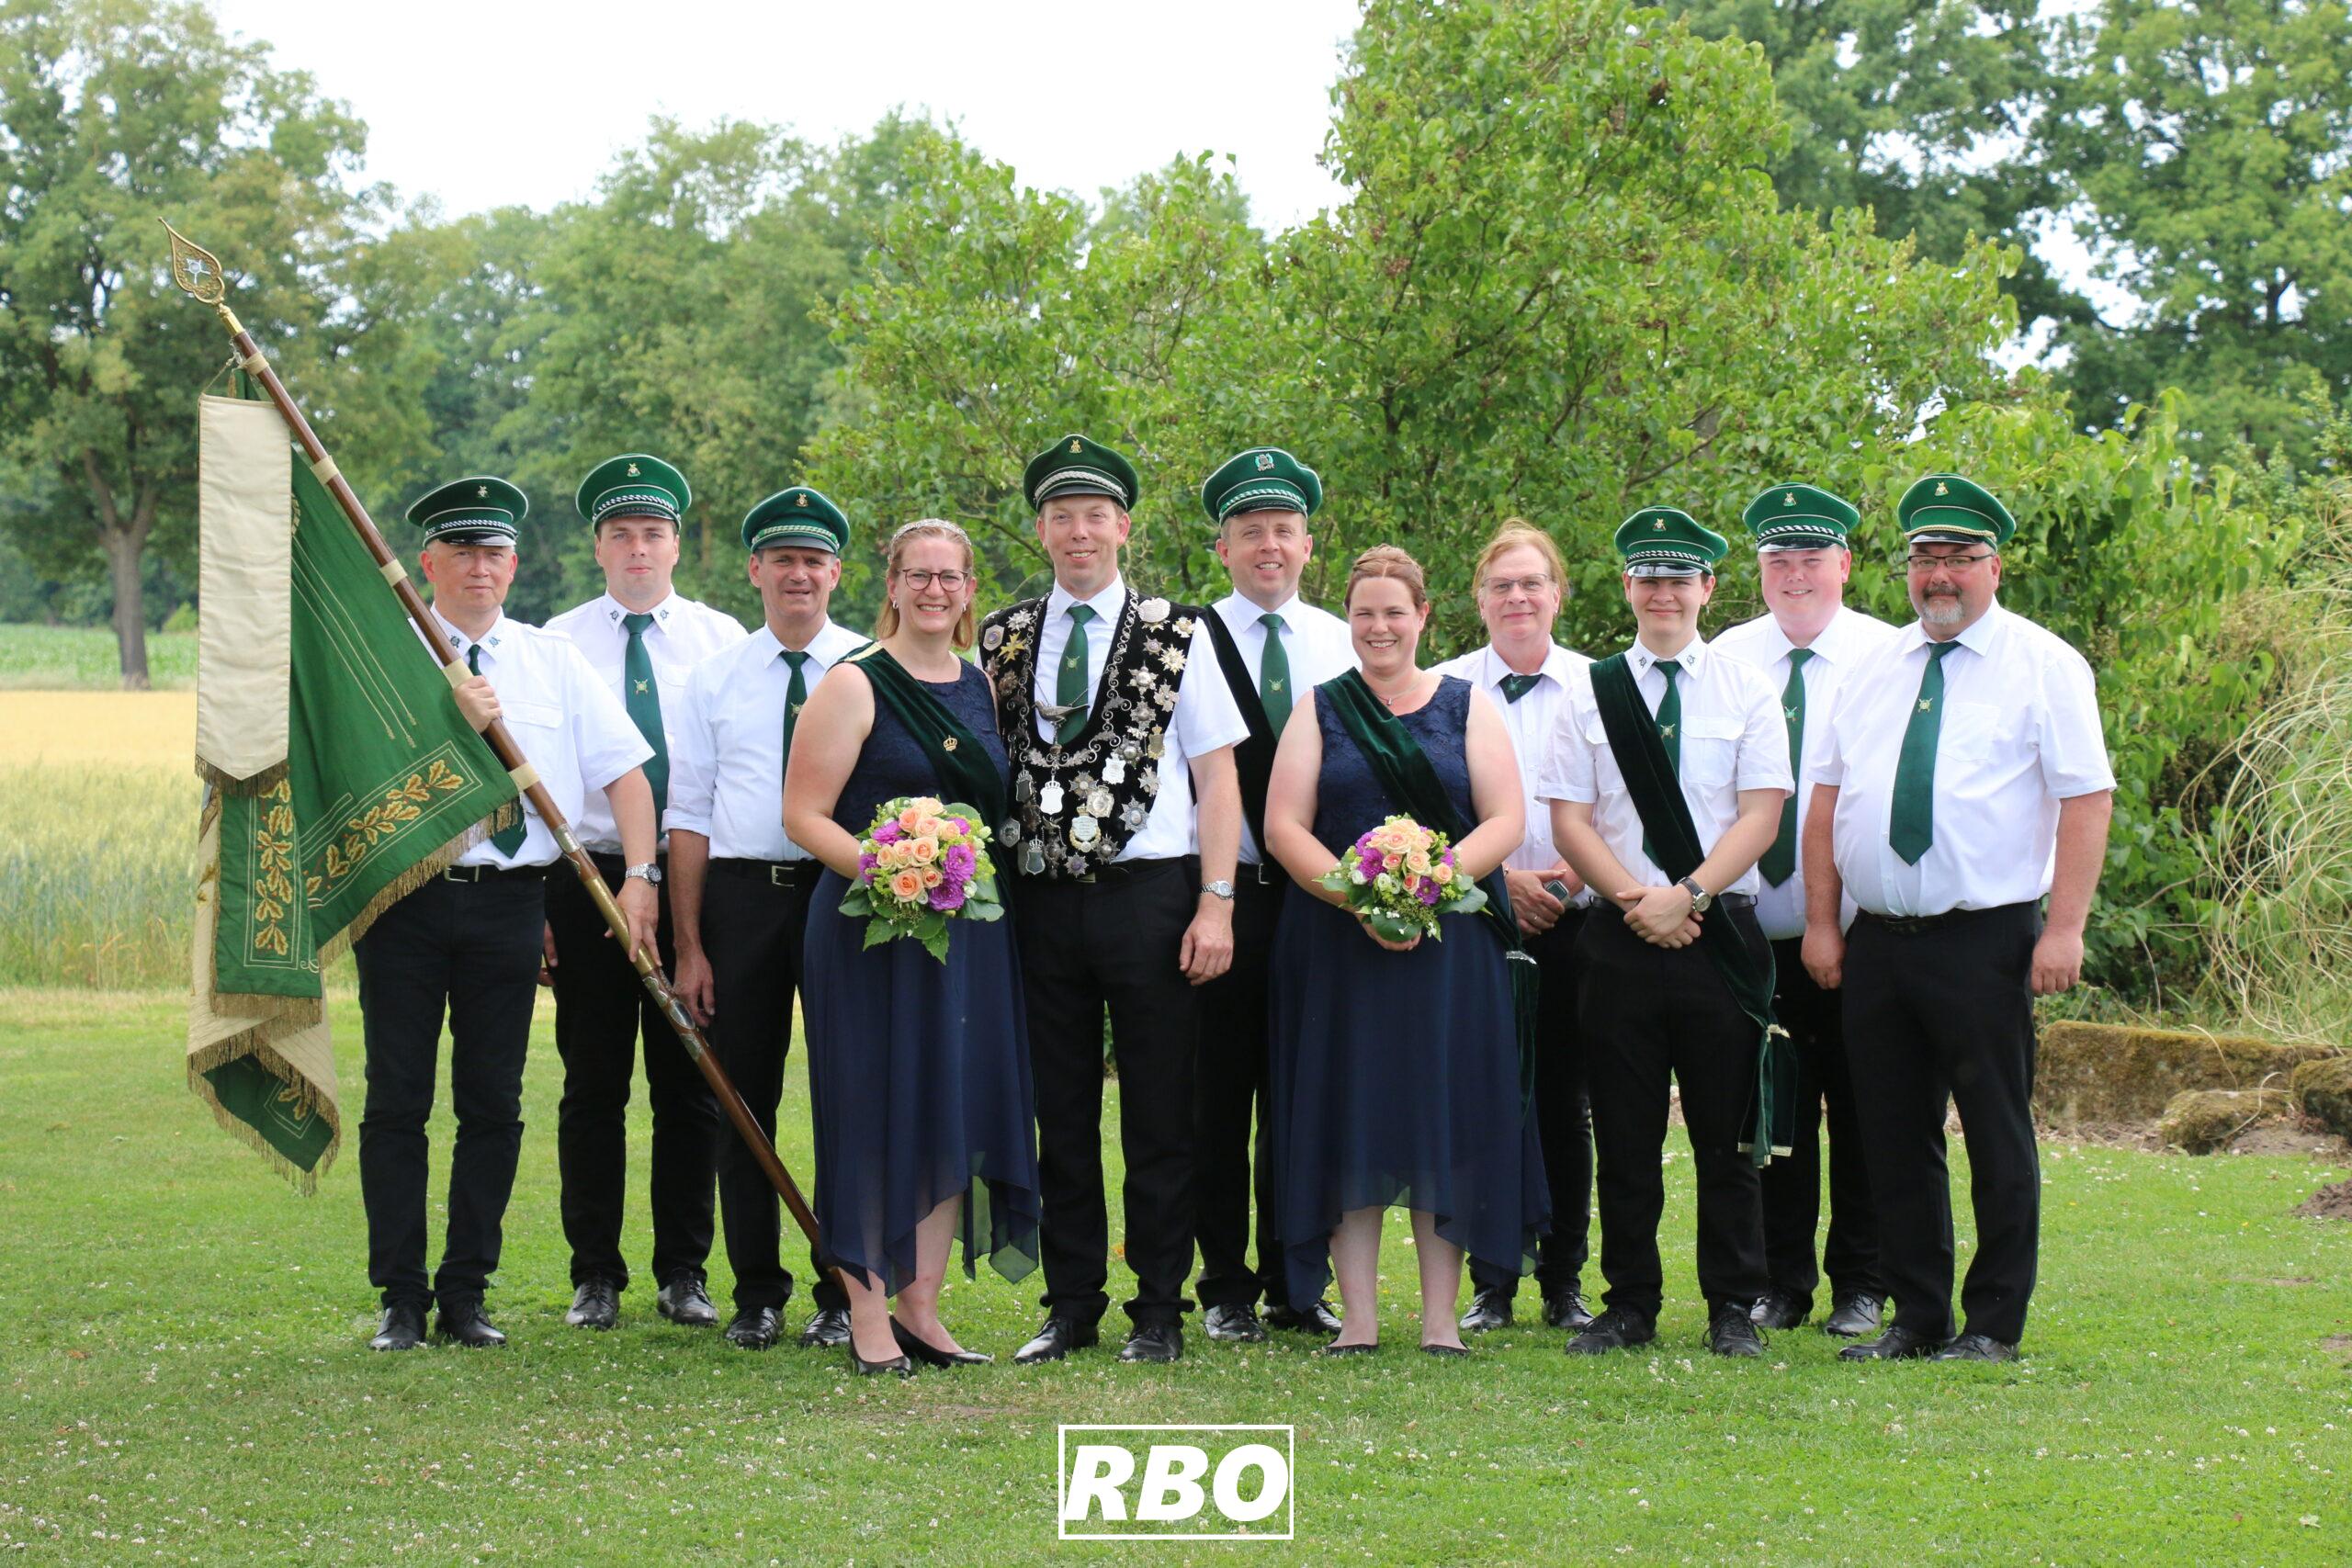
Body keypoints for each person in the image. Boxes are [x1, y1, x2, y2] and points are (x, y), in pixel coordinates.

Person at [1804, 474, 2114, 1364]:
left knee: (1995, 1132)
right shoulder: (1873, 666)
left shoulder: (2044, 664)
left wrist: (2064, 929)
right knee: (1892, 1137)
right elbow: (1826, 799)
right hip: (1879, 940)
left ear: (1994, 566)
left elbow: (2085, 799)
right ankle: (1917, 1317)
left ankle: (1992, 1324)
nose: (1939, 574)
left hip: (1985, 938)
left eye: (1959, 558)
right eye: (1924, 558)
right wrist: (1823, 923)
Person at [360, 476, 658, 1351]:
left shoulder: (549, 659)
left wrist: (640, 874)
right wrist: (440, 717)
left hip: (512, 903)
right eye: (461, 551)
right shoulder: (390, 656)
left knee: (492, 1101)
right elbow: (361, 777)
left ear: (515, 565)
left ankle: (466, 1292)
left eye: (493, 552)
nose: (478, 567)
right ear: (427, 564)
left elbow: (626, 771)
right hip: (407, 900)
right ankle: (401, 1297)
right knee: (398, 1100)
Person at [977, 433, 1246, 1367]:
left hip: (1151, 899)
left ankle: (1160, 1308)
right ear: (1042, 531)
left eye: (1095, 516)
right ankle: (1070, 1304)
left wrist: (1216, 902)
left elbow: (1218, 777)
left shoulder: (1178, 633)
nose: (1079, 532)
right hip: (1041, 901)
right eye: (1062, 517)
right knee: (1059, 1114)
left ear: (1123, 527)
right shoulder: (1004, 637)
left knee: (1162, 1114)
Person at [1264, 544, 1544, 1357]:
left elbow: (1505, 818)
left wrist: (1428, 887)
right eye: (1364, 612)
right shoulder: (1320, 707)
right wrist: (1363, 899)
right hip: (1338, 946)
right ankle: (1357, 1319)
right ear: (1348, 620)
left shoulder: (1467, 705)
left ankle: (1440, 1318)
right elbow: (1284, 825)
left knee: (1439, 1116)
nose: (1378, 626)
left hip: (1449, 946)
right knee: (1347, 1114)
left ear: (1423, 615)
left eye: (1394, 611)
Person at [784, 519, 1045, 1377]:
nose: (935, 590)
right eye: (919, 575)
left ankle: (921, 1309)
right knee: (869, 1108)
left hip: (965, 936)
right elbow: (802, 815)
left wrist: (943, 882)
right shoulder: (853, 682)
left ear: (970, 590)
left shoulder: (981, 687)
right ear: (891, 584)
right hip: (869, 932)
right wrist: (893, 869)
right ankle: (866, 1313)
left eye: (950, 577)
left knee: (948, 1105)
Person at [1540, 507, 1790, 1359]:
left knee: (1727, 1137)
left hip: (1720, 935)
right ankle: (1630, 1304)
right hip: (1618, 935)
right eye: (1648, 578)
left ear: (1708, 587)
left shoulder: (1747, 689)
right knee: (1624, 1132)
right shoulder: (1590, 690)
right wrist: (1634, 899)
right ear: (1627, 587)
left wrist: (1687, 895)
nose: (1663, 593)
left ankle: (1733, 1304)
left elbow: (1761, 817)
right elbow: (1570, 820)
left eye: (1679, 578)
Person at [541, 454, 746, 1333]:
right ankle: (595, 1273)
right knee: (593, 1084)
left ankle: (684, 1271)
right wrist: (537, 905)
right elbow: (528, 776)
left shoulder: (721, 639)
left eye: (652, 533)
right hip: (585, 878)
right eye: (620, 534)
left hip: (692, 875)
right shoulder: (555, 643)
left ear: (676, 545)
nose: (637, 548)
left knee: (689, 1081)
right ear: (597, 548)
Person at [664, 487, 865, 1350]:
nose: (798, 574)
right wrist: (690, 944)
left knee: (848, 1095)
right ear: (755, 570)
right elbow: (689, 815)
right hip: (742, 897)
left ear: (837, 573)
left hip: (844, 892)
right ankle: (757, 1291)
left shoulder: (869, 666)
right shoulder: (714, 677)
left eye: (814, 560)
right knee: (742, 1098)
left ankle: (844, 1288)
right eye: (783, 559)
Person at [1712, 482, 1898, 1340]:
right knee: (1772, 1112)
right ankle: (1779, 1280)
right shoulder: (1727, 656)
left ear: (1844, 564)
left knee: (1863, 1109)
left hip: (1857, 930)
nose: (1795, 574)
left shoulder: (1888, 655)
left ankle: (1862, 1281)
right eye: (1778, 559)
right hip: (1752, 926)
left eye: (1811, 558)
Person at [1191, 446, 1355, 1344]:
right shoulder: (1183, 641)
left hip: (1324, 899)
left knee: (1308, 1097)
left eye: (1284, 530)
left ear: (1307, 544)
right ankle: (1224, 1284)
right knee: (1217, 1099)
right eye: (1250, 530)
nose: (1269, 546)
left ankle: (1300, 1282)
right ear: (1222, 547)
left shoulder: (1344, 640)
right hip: (1227, 896)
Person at [1434, 521, 1599, 1337]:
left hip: (1578, 917)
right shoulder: (1444, 688)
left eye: (1532, 582)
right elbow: (1432, 810)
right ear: (1479, 599)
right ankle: (1492, 1280)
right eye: (1501, 585)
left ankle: (1565, 1278)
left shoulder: (1600, 685)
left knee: (1565, 1101)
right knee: (1483, 1099)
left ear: (1557, 594)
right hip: (1480, 916)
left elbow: (1618, 802)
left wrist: (1570, 876)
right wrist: (1503, 881)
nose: (1518, 597)